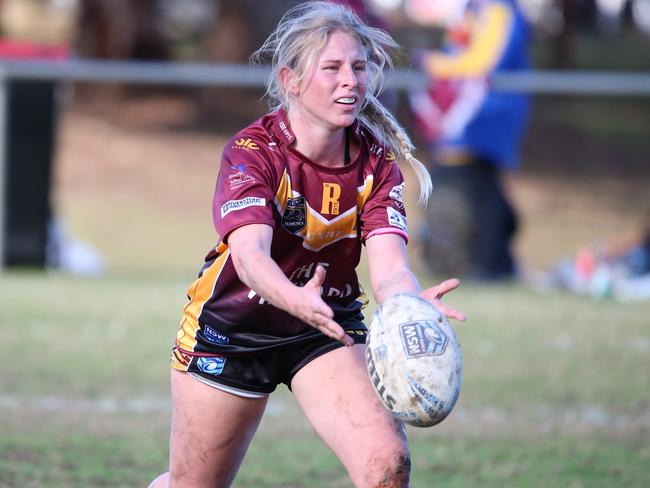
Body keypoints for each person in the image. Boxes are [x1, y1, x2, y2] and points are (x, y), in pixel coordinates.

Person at [149, 2, 465, 487]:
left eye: (359, 67)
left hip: (325, 329)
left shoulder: (376, 164)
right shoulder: (252, 153)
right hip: (233, 331)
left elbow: (389, 265)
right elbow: (251, 257)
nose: (351, 81)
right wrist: (295, 298)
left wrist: (406, 304)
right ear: (290, 79)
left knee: (387, 464)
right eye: (333, 68)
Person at [408, 0, 531, 281]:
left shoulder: (498, 10)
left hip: (483, 120)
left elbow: (485, 60)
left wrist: (434, 64)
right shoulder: (473, 9)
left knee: (480, 194)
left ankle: (487, 265)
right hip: (463, 123)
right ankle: (469, 261)